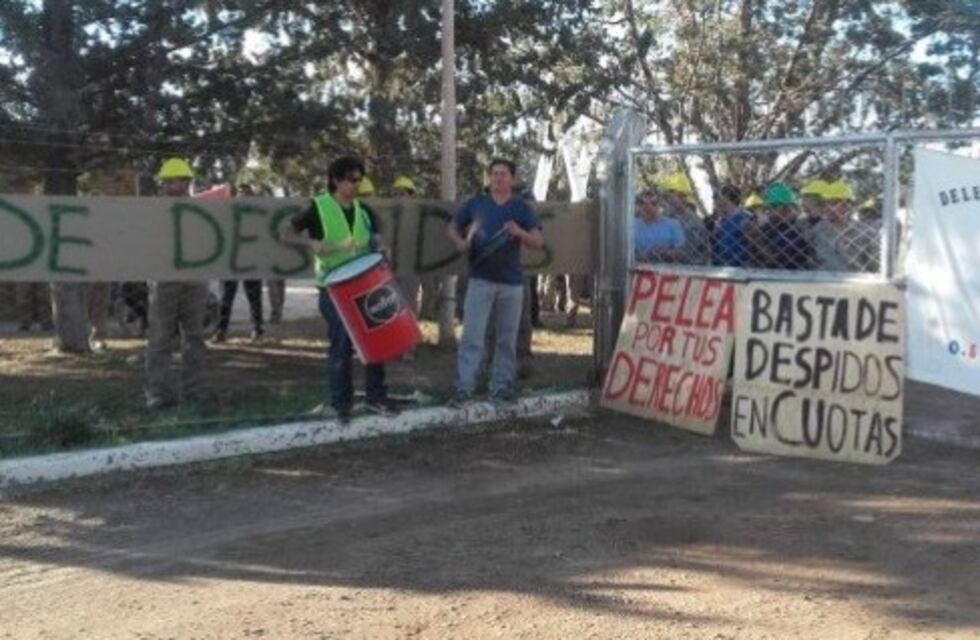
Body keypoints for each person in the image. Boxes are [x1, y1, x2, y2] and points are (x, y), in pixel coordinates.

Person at [279, 156, 395, 419]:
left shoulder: (364, 211)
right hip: (334, 289)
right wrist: (311, 244)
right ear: (335, 179)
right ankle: (340, 402)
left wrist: (381, 245)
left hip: (366, 285)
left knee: (374, 342)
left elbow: (376, 238)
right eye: (351, 179)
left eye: (359, 179)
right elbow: (286, 233)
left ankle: (376, 397)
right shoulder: (318, 207)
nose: (356, 184)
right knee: (341, 344)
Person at [447, 158, 544, 405]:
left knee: (506, 340)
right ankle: (464, 388)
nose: (498, 178)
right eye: (494, 174)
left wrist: (519, 233)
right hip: (480, 280)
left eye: (503, 174)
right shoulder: (476, 204)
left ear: (512, 179)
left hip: (511, 283)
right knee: (472, 337)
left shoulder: (521, 208)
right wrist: (459, 242)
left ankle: (501, 387)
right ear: (489, 178)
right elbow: (453, 227)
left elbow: (538, 241)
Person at [144, 158, 209, 409]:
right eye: (169, 181)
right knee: (161, 338)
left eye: (180, 180)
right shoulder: (153, 212)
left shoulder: (202, 211)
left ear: (188, 182)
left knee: (194, 338)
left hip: (195, 282)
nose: (175, 185)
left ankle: (194, 392)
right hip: (164, 281)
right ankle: (158, 395)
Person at [214, 184, 265, 343]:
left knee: (254, 298)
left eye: (246, 196)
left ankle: (257, 330)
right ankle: (221, 331)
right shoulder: (227, 215)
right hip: (230, 263)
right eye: (240, 196)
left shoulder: (257, 217)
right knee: (226, 298)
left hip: (251, 262)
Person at [810, 180, 879, 272]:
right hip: (824, 281)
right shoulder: (818, 229)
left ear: (847, 205)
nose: (827, 207)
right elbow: (812, 258)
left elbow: (874, 266)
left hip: (855, 283)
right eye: (825, 204)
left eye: (833, 203)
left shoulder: (865, 232)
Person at [752, 182, 813, 270]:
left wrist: (756, 238)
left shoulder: (797, 228)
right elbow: (754, 256)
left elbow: (773, 260)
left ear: (786, 208)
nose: (769, 211)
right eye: (768, 207)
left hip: (792, 276)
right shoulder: (770, 225)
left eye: (773, 206)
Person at [658, 172, 709, 264]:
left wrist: (667, 252)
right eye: (665, 197)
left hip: (692, 267)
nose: (667, 201)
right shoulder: (668, 217)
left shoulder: (693, 221)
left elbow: (690, 249)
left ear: (683, 197)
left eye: (670, 197)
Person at [633, 189, 687, 263]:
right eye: (643, 203)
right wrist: (644, 256)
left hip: (666, 269)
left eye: (653, 203)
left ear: (660, 205)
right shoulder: (632, 225)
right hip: (638, 267)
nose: (648, 207)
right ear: (639, 206)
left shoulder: (673, 224)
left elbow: (682, 252)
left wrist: (666, 253)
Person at [709, 184, 754, 267]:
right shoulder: (720, 220)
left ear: (726, 197)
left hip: (741, 268)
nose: (716, 202)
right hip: (721, 266)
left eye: (719, 197)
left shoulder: (746, 217)